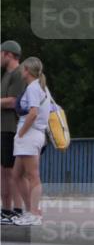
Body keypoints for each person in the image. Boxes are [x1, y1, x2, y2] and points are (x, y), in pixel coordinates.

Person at [11, 57, 52, 226]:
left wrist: (21, 132)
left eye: (23, 69)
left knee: (33, 176)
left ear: (27, 70)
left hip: (30, 134)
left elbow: (33, 113)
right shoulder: (40, 87)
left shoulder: (34, 88)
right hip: (32, 135)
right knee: (17, 175)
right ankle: (31, 211)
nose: (21, 71)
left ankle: (34, 214)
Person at [1, 40, 26, 224]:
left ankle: (16, 210)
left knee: (12, 172)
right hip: (3, 128)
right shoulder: (6, 74)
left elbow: (13, 101)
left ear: (8, 54)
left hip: (12, 128)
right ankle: (6, 209)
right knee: (3, 171)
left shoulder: (18, 74)